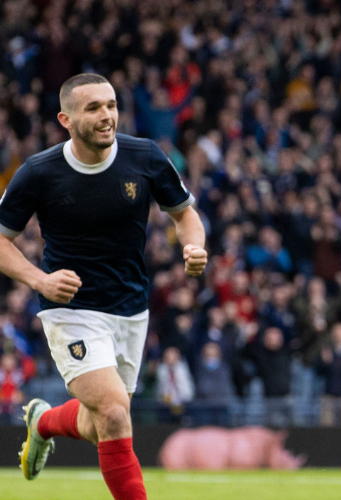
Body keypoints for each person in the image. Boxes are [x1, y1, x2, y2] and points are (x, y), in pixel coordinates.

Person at [0, 73, 206, 499]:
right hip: (71, 308)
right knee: (113, 413)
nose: (106, 115)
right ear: (66, 119)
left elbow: (184, 214)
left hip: (131, 308)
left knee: (102, 422)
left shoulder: (145, 156)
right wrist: (39, 279)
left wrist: (194, 247)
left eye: (111, 105)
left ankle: (42, 423)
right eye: (93, 108)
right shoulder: (39, 172)